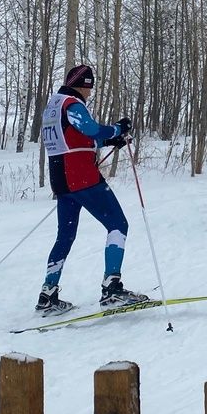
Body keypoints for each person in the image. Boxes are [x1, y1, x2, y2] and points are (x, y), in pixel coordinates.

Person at [36, 64, 143, 314]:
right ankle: (112, 289)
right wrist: (117, 129)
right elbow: (89, 128)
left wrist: (110, 140)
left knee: (65, 236)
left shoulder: (53, 105)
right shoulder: (71, 103)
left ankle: (47, 294)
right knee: (118, 224)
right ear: (84, 85)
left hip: (61, 180)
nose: (90, 93)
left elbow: (76, 136)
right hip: (81, 178)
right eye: (90, 88)